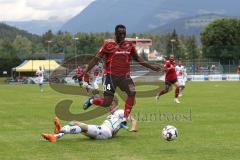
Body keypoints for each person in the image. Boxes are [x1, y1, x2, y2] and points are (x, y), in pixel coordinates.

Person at [79, 24, 160, 119]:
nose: (122, 35)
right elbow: (95, 60)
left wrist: (152, 67)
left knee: (132, 92)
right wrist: (84, 72)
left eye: (124, 33)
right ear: (115, 33)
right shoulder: (108, 45)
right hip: (110, 77)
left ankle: (124, 118)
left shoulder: (129, 45)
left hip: (124, 77)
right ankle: (92, 101)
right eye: (120, 33)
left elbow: (138, 58)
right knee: (107, 103)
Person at [42, 97, 137, 142]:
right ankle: (55, 136)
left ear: (116, 104)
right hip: (103, 131)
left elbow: (133, 119)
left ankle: (59, 130)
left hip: (105, 131)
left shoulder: (120, 111)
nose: (109, 106)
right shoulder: (113, 114)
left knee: (77, 124)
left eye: (111, 104)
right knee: (73, 123)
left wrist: (133, 127)